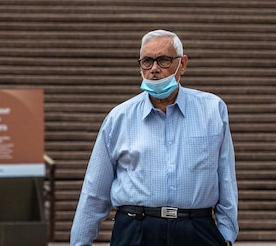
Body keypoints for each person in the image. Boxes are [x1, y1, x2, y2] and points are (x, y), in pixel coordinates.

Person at [70, 29, 239, 246]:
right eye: (147, 61)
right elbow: (95, 189)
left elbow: (226, 179)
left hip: (196, 229)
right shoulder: (119, 118)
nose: (155, 69)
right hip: (136, 229)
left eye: (163, 60)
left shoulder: (212, 110)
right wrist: (79, 242)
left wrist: (226, 235)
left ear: (183, 64)